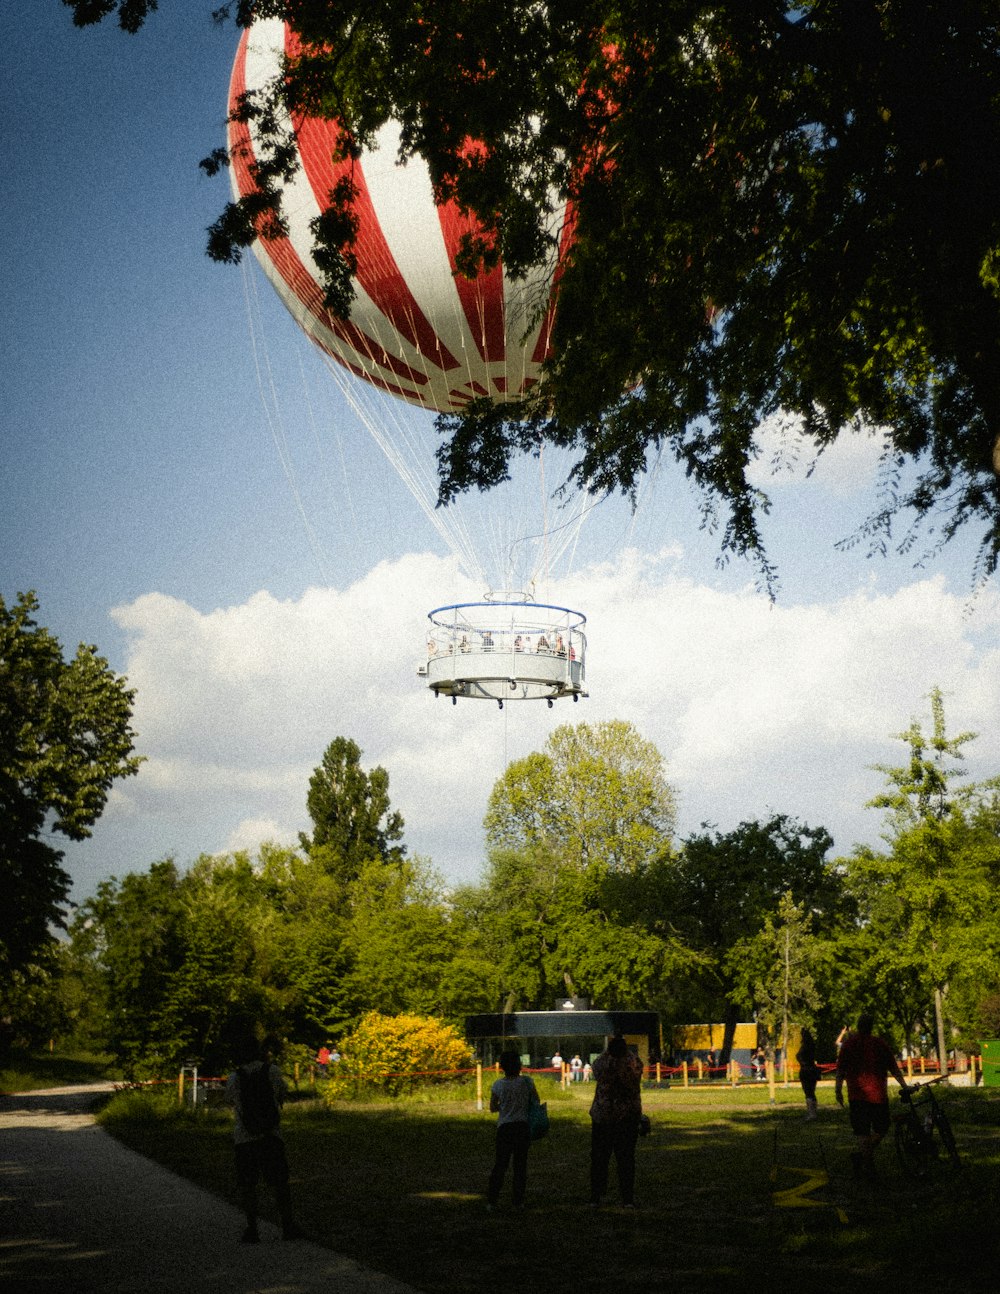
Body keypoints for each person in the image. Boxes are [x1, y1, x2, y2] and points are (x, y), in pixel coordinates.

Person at [226, 1034, 304, 1243]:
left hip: (245, 1138)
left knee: (248, 1185)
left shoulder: (234, 1077)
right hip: (271, 1136)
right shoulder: (272, 1072)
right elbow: (281, 1095)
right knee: (280, 1182)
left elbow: (231, 1102)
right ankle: (287, 1225)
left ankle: (252, 1229)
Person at [835, 1014, 907, 1179]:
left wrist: (838, 1090)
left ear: (859, 1026)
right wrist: (904, 1085)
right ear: (871, 1026)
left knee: (862, 1132)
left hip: (857, 1094)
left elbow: (840, 1070)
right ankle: (868, 1166)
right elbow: (893, 1068)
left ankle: (863, 1158)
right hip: (877, 1094)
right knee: (881, 1128)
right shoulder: (879, 1044)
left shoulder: (849, 1044)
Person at [589, 1035, 644, 1209]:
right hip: (626, 1117)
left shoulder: (603, 1062)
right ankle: (627, 1198)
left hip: (603, 1117)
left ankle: (596, 1197)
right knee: (626, 1159)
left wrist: (608, 1053)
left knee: (599, 1159)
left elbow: (596, 1069)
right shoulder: (634, 1062)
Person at [487, 1051, 540, 1210]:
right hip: (522, 1127)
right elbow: (536, 1101)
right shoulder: (527, 1082)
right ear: (519, 1065)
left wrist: (503, 1106)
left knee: (500, 1165)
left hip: (504, 1128)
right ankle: (518, 1201)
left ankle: (492, 1201)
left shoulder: (498, 1085)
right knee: (520, 1166)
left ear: (502, 1066)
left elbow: (492, 1108)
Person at [796, 1028, 821, 1121]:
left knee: (808, 1092)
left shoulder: (804, 1047)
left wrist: (802, 1063)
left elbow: (798, 1056)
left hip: (805, 1070)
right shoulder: (812, 1046)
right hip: (813, 1069)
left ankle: (811, 1114)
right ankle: (814, 1112)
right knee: (812, 1091)